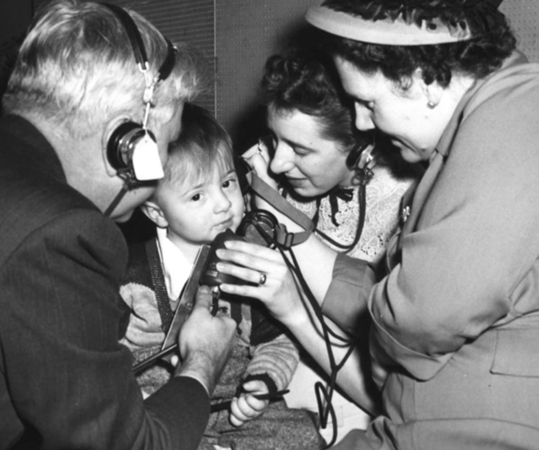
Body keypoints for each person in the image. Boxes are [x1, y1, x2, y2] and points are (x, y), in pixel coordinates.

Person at [212, 0, 539, 449]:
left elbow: (418, 318)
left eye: (367, 102)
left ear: (421, 80)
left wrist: (349, 330)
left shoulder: (513, 120)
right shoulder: (483, 128)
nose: (363, 121)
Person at [0, 1, 237, 449]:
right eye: (167, 144)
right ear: (125, 144)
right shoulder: (63, 230)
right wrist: (202, 362)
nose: (162, 166)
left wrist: (107, 319)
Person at [120, 102, 322, 450]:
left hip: (232, 408)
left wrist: (263, 381)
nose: (224, 204)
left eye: (228, 183)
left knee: (300, 434)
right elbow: (98, 352)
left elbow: (278, 341)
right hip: (162, 406)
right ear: (157, 213)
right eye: (198, 195)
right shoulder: (129, 273)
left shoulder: (249, 265)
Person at [242, 47, 417, 445]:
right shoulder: (270, 173)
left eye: (300, 149)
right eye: (275, 139)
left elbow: (395, 398)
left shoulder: (410, 200)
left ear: (361, 150)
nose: (278, 163)